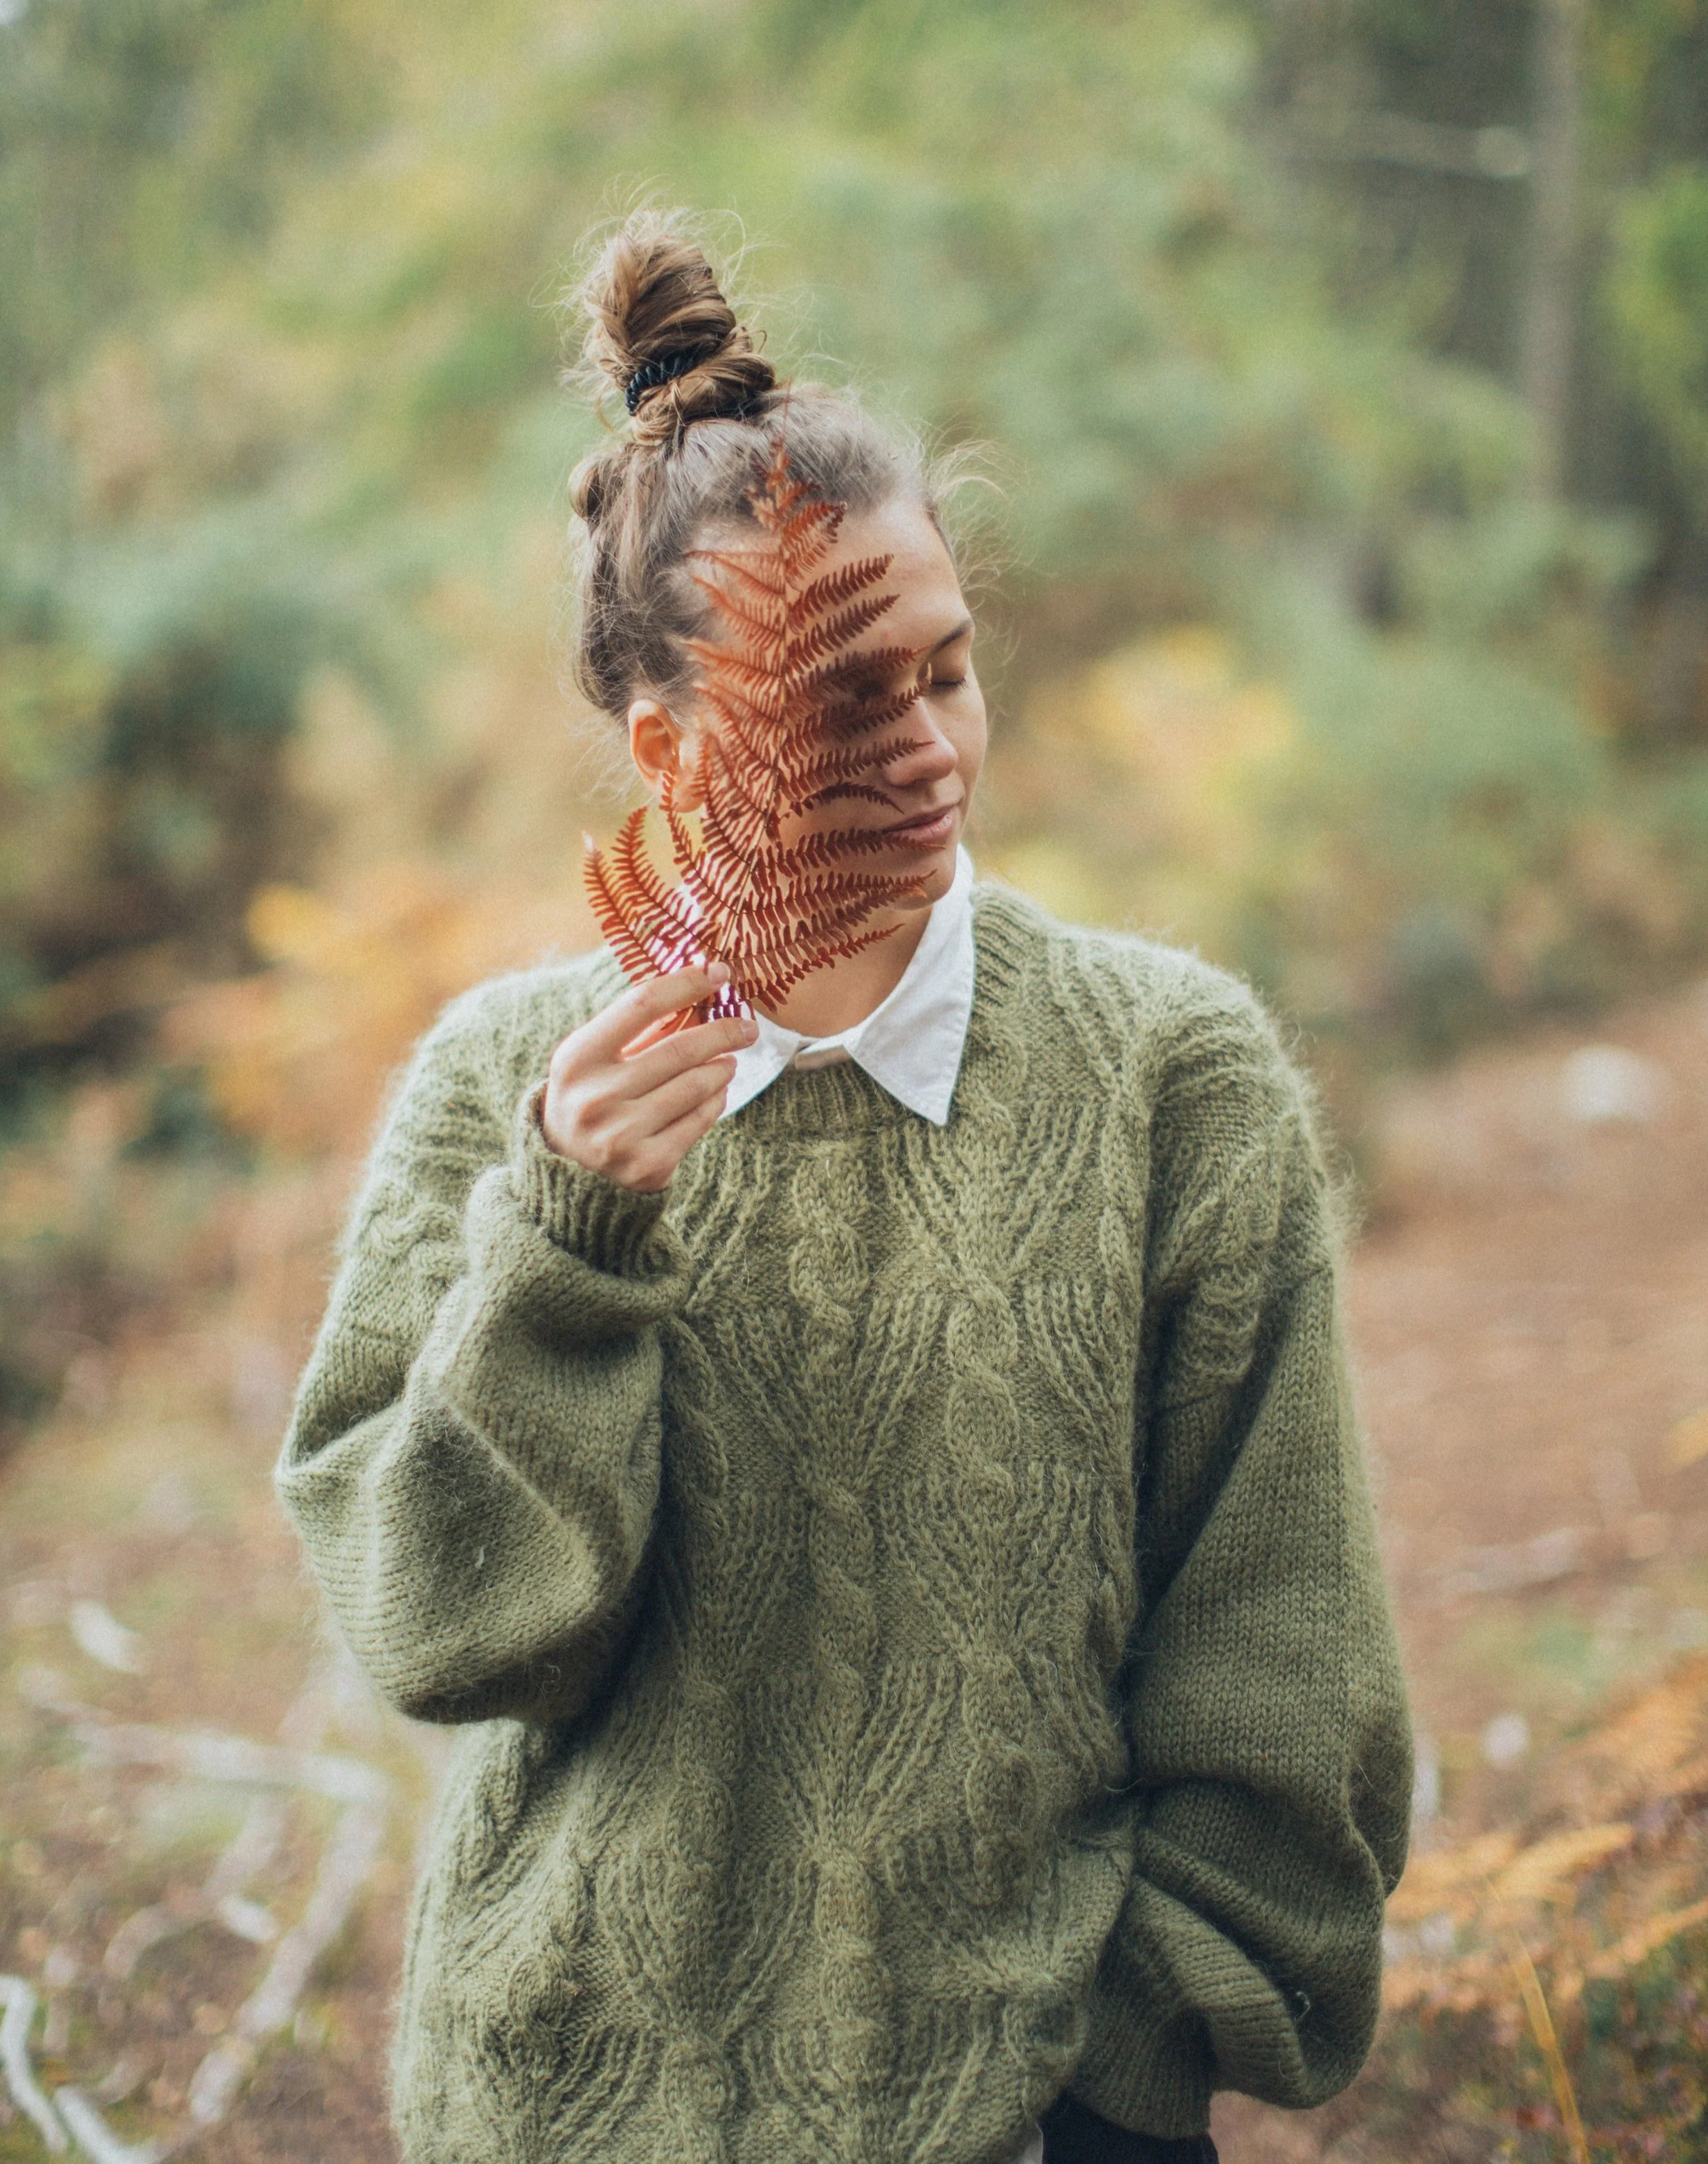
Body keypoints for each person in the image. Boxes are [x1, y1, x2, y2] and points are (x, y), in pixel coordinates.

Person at [276, 210, 1414, 2164]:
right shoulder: (498, 1090)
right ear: (666, 745)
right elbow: (442, 1636)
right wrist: (559, 1252)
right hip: (569, 2110)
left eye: (949, 670)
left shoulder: (1168, 1080)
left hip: (1041, 2112)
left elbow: (1280, 1649)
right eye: (844, 704)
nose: (931, 750)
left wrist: (1113, 2068)